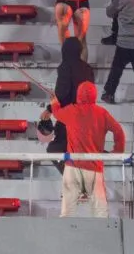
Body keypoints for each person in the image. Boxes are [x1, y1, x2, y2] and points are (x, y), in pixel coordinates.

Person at [48, 82, 126, 218]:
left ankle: (65, 237)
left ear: (78, 95)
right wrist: (117, 152)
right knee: (100, 212)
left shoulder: (71, 110)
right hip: (94, 168)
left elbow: (56, 113)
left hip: (72, 167)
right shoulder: (102, 113)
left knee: (67, 212)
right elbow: (119, 131)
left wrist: (54, 102)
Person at [45, 37, 96, 174]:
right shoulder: (88, 69)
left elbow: (62, 92)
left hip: (68, 118)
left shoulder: (65, 66)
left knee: (54, 149)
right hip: (87, 118)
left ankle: (71, 177)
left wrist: (50, 108)